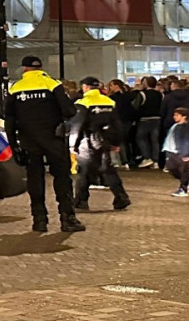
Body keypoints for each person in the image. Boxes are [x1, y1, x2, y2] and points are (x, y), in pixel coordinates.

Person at [8, 55, 82, 232]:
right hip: (53, 139)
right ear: (41, 68)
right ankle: (67, 219)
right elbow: (69, 110)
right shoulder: (52, 84)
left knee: (35, 179)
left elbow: (9, 119)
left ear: (25, 69)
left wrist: (14, 145)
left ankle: (39, 220)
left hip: (29, 140)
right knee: (62, 177)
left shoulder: (16, 88)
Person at [71, 76, 130, 212]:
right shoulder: (109, 101)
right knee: (107, 169)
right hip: (106, 140)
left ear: (85, 87)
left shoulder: (83, 103)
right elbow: (117, 124)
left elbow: (78, 125)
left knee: (84, 170)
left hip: (88, 140)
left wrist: (73, 144)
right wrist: (116, 142)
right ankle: (121, 197)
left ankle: (81, 201)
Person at [107, 79, 139, 169]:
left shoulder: (112, 98)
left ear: (116, 86)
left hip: (118, 120)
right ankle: (127, 161)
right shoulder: (128, 96)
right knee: (125, 141)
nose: (110, 88)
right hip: (127, 121)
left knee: (119, 141)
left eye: (111, 85)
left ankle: (121, 161)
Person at [133, 76, 163, 169]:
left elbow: (136, 107)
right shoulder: (160, 95)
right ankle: (156, 161)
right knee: (155, 140)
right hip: (157, 119)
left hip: (144, 119)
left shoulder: (142, 94)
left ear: (145, 83)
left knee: (140, 138)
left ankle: (147, 157)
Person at [161, 79, 189, 163]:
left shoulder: (168, 96)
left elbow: (162, 110)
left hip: (170, 122)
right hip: (186, 121)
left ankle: (169, 162)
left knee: (170, 142)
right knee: (184, 141)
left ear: (173, 85)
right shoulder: (188, 96)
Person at [164, 106, 189, 198]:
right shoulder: (176, 126)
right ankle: (186, 183)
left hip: (180, 152)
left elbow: (184, 140)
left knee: (183, 170)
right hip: (172, 151)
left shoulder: (184, 127)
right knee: (172, 168)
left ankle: (183, 189)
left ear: (184, 117)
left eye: (177, 115)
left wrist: (185, 153)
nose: (174, 117)